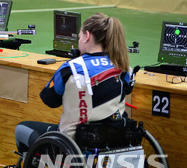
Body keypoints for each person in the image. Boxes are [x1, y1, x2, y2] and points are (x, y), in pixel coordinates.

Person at [15, 13, 134, 153]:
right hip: (114, 141)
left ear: (87, 36)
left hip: (73, 145)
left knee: (22, 129)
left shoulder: (71, 68)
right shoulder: (124, 67)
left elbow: (49, 99)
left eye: (80, 37)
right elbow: (127, 89)